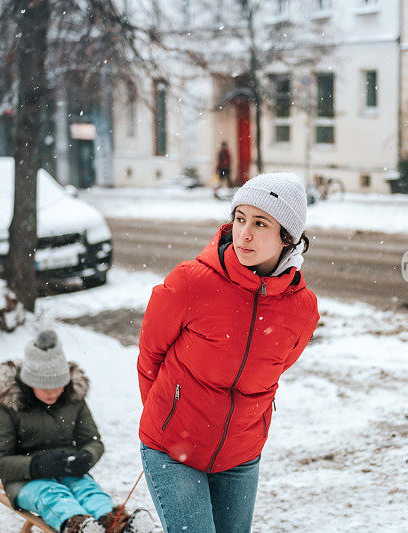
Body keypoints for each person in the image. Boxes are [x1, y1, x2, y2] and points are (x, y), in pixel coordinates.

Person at [137, 173, 320, 532]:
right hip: (173, 450)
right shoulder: (191, 281)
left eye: (260, 223)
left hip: (241, 454)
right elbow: (150, 357)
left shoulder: (302, 309)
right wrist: (171, 418)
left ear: (288, 237)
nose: (244, 233)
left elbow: (277, 369)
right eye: (239, 219)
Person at [0, 330, 149, 533]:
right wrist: (35, 465)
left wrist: (87, 457)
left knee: (88, 490)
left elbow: (93, 441)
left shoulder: (73, 399)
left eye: (58, 386)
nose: (53, 393)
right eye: (45, 387)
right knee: (51, 494)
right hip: (26, 480)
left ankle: (119, 524)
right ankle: (78, 525)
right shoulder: (12, 406)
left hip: (68, 469)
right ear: (30, 383)